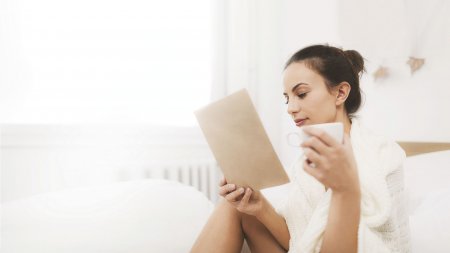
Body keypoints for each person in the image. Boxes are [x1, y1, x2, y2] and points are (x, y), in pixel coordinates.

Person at [190, 44, 411, 253]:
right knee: (234, 205)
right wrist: (259, 206)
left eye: (302, 94)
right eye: (287, 98)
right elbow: (300, 238)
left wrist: (345, 190)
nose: (291, 108)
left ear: (340, 93)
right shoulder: (304, 163)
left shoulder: (381, 155)